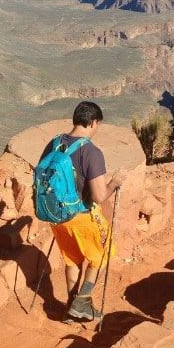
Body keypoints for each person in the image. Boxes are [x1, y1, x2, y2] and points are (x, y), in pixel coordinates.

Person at [38, 101, 126, 321]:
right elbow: (98, 196)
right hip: (80, 215)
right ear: (93, 122)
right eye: (98, 125)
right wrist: (115, 182)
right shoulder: (91, 152)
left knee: (72, 260)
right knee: (101, 255)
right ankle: (82, 301)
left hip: (56, 215)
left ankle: (71, 309)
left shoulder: (54, 143)